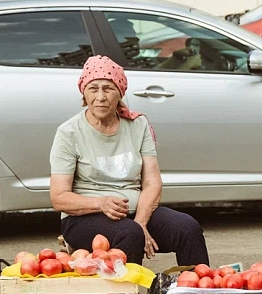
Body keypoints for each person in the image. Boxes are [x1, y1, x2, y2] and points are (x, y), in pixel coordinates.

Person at [50, 55, 210, 267]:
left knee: (186, 227)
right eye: (93, 88)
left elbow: (152, 183)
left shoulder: (138, 125)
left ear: (120, 92)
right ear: (84, 93)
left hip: (136, 213)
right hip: (83, 218)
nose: (100, 97)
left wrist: (142, 222)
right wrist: (100, 203)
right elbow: (59, 197)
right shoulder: (69, 132)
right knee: (130, 233)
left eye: (108, 89)